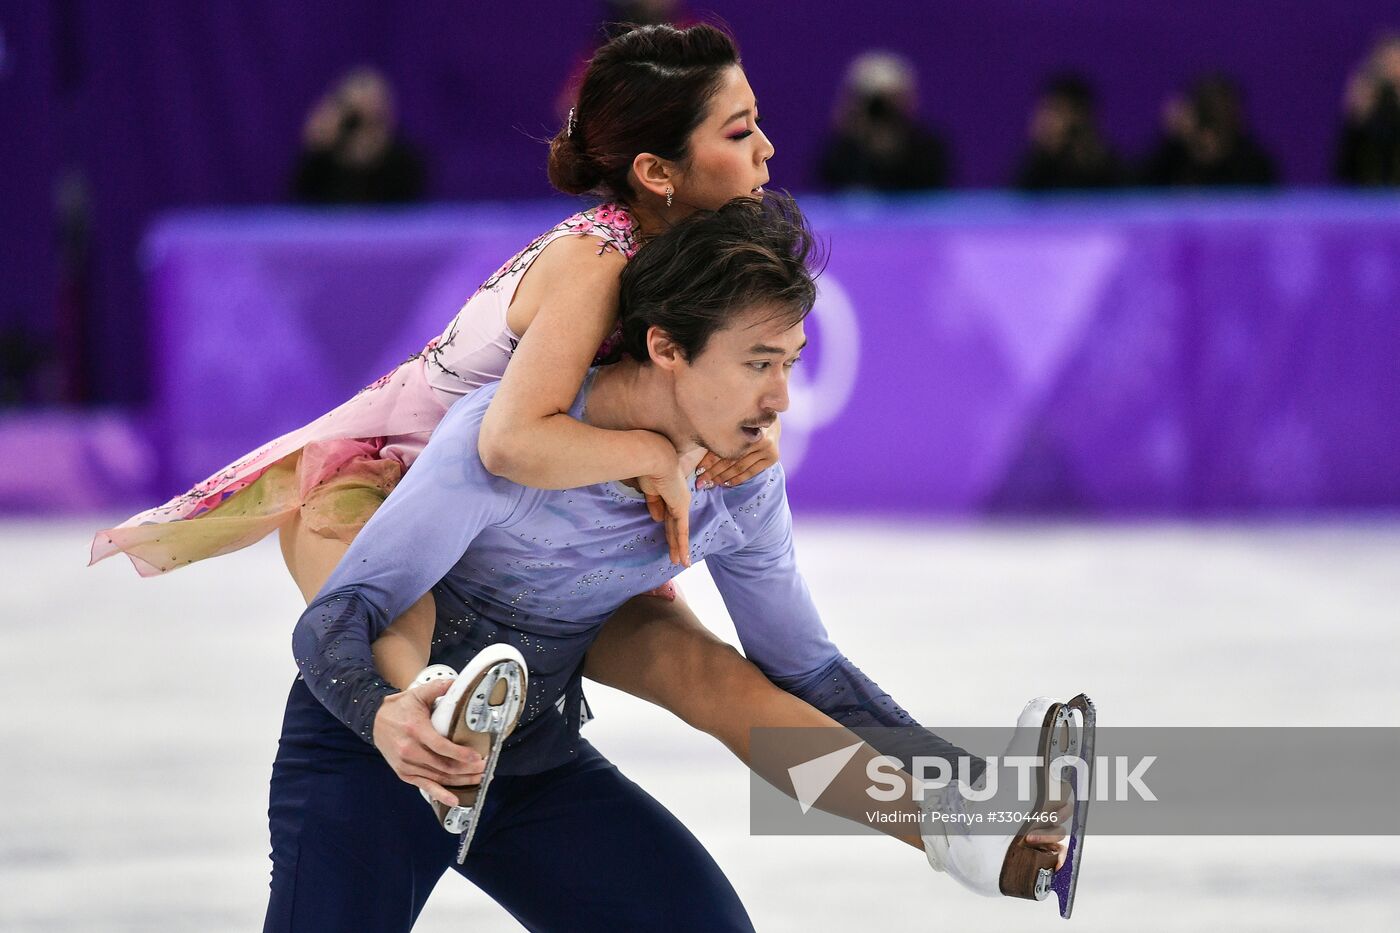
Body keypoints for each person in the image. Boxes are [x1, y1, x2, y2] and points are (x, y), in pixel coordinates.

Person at [276, 194, 1088, 928]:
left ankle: (955, 830)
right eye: (758, 364)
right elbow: (337, 620)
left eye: (791, 364)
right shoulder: (504, 444)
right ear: (665, 347)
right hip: (372, 750)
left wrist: (968, 785)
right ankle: (432, 696)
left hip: (526, 760)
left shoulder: (739, 485)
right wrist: (384, 714)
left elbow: (807, 673)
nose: (780, 402)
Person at [817, 51, 949, 192]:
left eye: (891, 99)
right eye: (873, 100)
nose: (882, 109)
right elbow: (830, 195)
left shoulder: (929, 149)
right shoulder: (840, 152)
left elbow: (934, 197)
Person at [292, 67, 426, 204]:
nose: (362, 128)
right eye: (355, 119)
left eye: (373, 119)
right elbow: (300, 201)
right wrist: (317, 147)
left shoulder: (403, 162)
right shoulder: (322, 160)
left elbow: (412, 205)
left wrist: (373, 157)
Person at [1140, 74, 1276, 188]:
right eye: (1206, 114)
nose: (1212, 125)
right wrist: (1171, 139)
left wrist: (1216, 158)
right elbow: (1135, 194)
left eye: (1222, 113)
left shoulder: (1254, 163)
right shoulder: (1172, 157)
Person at [1015, 73, 1123, 191]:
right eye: (1044, 111)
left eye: (1056, 111)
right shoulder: (1035, 171)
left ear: (1080, 119)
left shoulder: (1113, 173)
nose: (1046, 121)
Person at [1336, 33, 1400, 186]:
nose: (1393, 70)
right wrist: (1356, 117)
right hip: (1365, 193)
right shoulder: (1367, 102)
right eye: (1388, 63)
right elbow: (1344, 168)